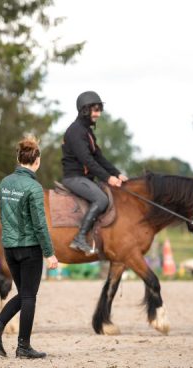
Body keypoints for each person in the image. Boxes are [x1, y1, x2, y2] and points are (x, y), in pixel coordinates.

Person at [0, 136, 58, 359]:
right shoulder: (34, 188)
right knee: (29, 296)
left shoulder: (4, 183)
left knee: (23, 294)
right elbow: (40, 224)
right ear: (37, 161)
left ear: (18, 158)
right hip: (29, 249)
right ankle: (22, 346)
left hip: (9, 248)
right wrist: (50, 253)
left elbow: (4, 216)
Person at [61, 91, 128, 254]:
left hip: (86, 178)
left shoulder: (87, 132)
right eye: (95, 110)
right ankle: (79, 238)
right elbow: (87, 161)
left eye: (99, 110)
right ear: (85, 110)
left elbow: (99, 158)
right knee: (101, 199)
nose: (98, 114)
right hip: (74, 178)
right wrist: (107, 177)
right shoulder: (75, 131)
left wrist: (117, 174)